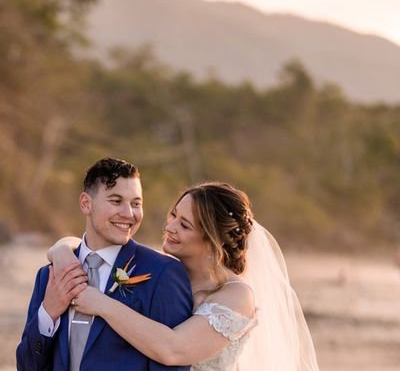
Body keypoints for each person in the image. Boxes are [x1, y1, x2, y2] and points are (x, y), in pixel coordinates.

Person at [48, 182, 320, 371]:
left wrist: (101, 304)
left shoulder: (236, 295)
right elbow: (89, 242)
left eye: (184, 225)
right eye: (174, 215)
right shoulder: (161, 269)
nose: (170, 227)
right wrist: (61, 249)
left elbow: (174, 350)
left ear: (211, 239)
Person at [16, 157, 193, 371]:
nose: (129, 214)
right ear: (86, 204)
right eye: (116, 201)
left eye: (136, 203)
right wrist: (49, 313)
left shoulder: (162, 273)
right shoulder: (50, 274)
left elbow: (173, 364)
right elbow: (27, 367)